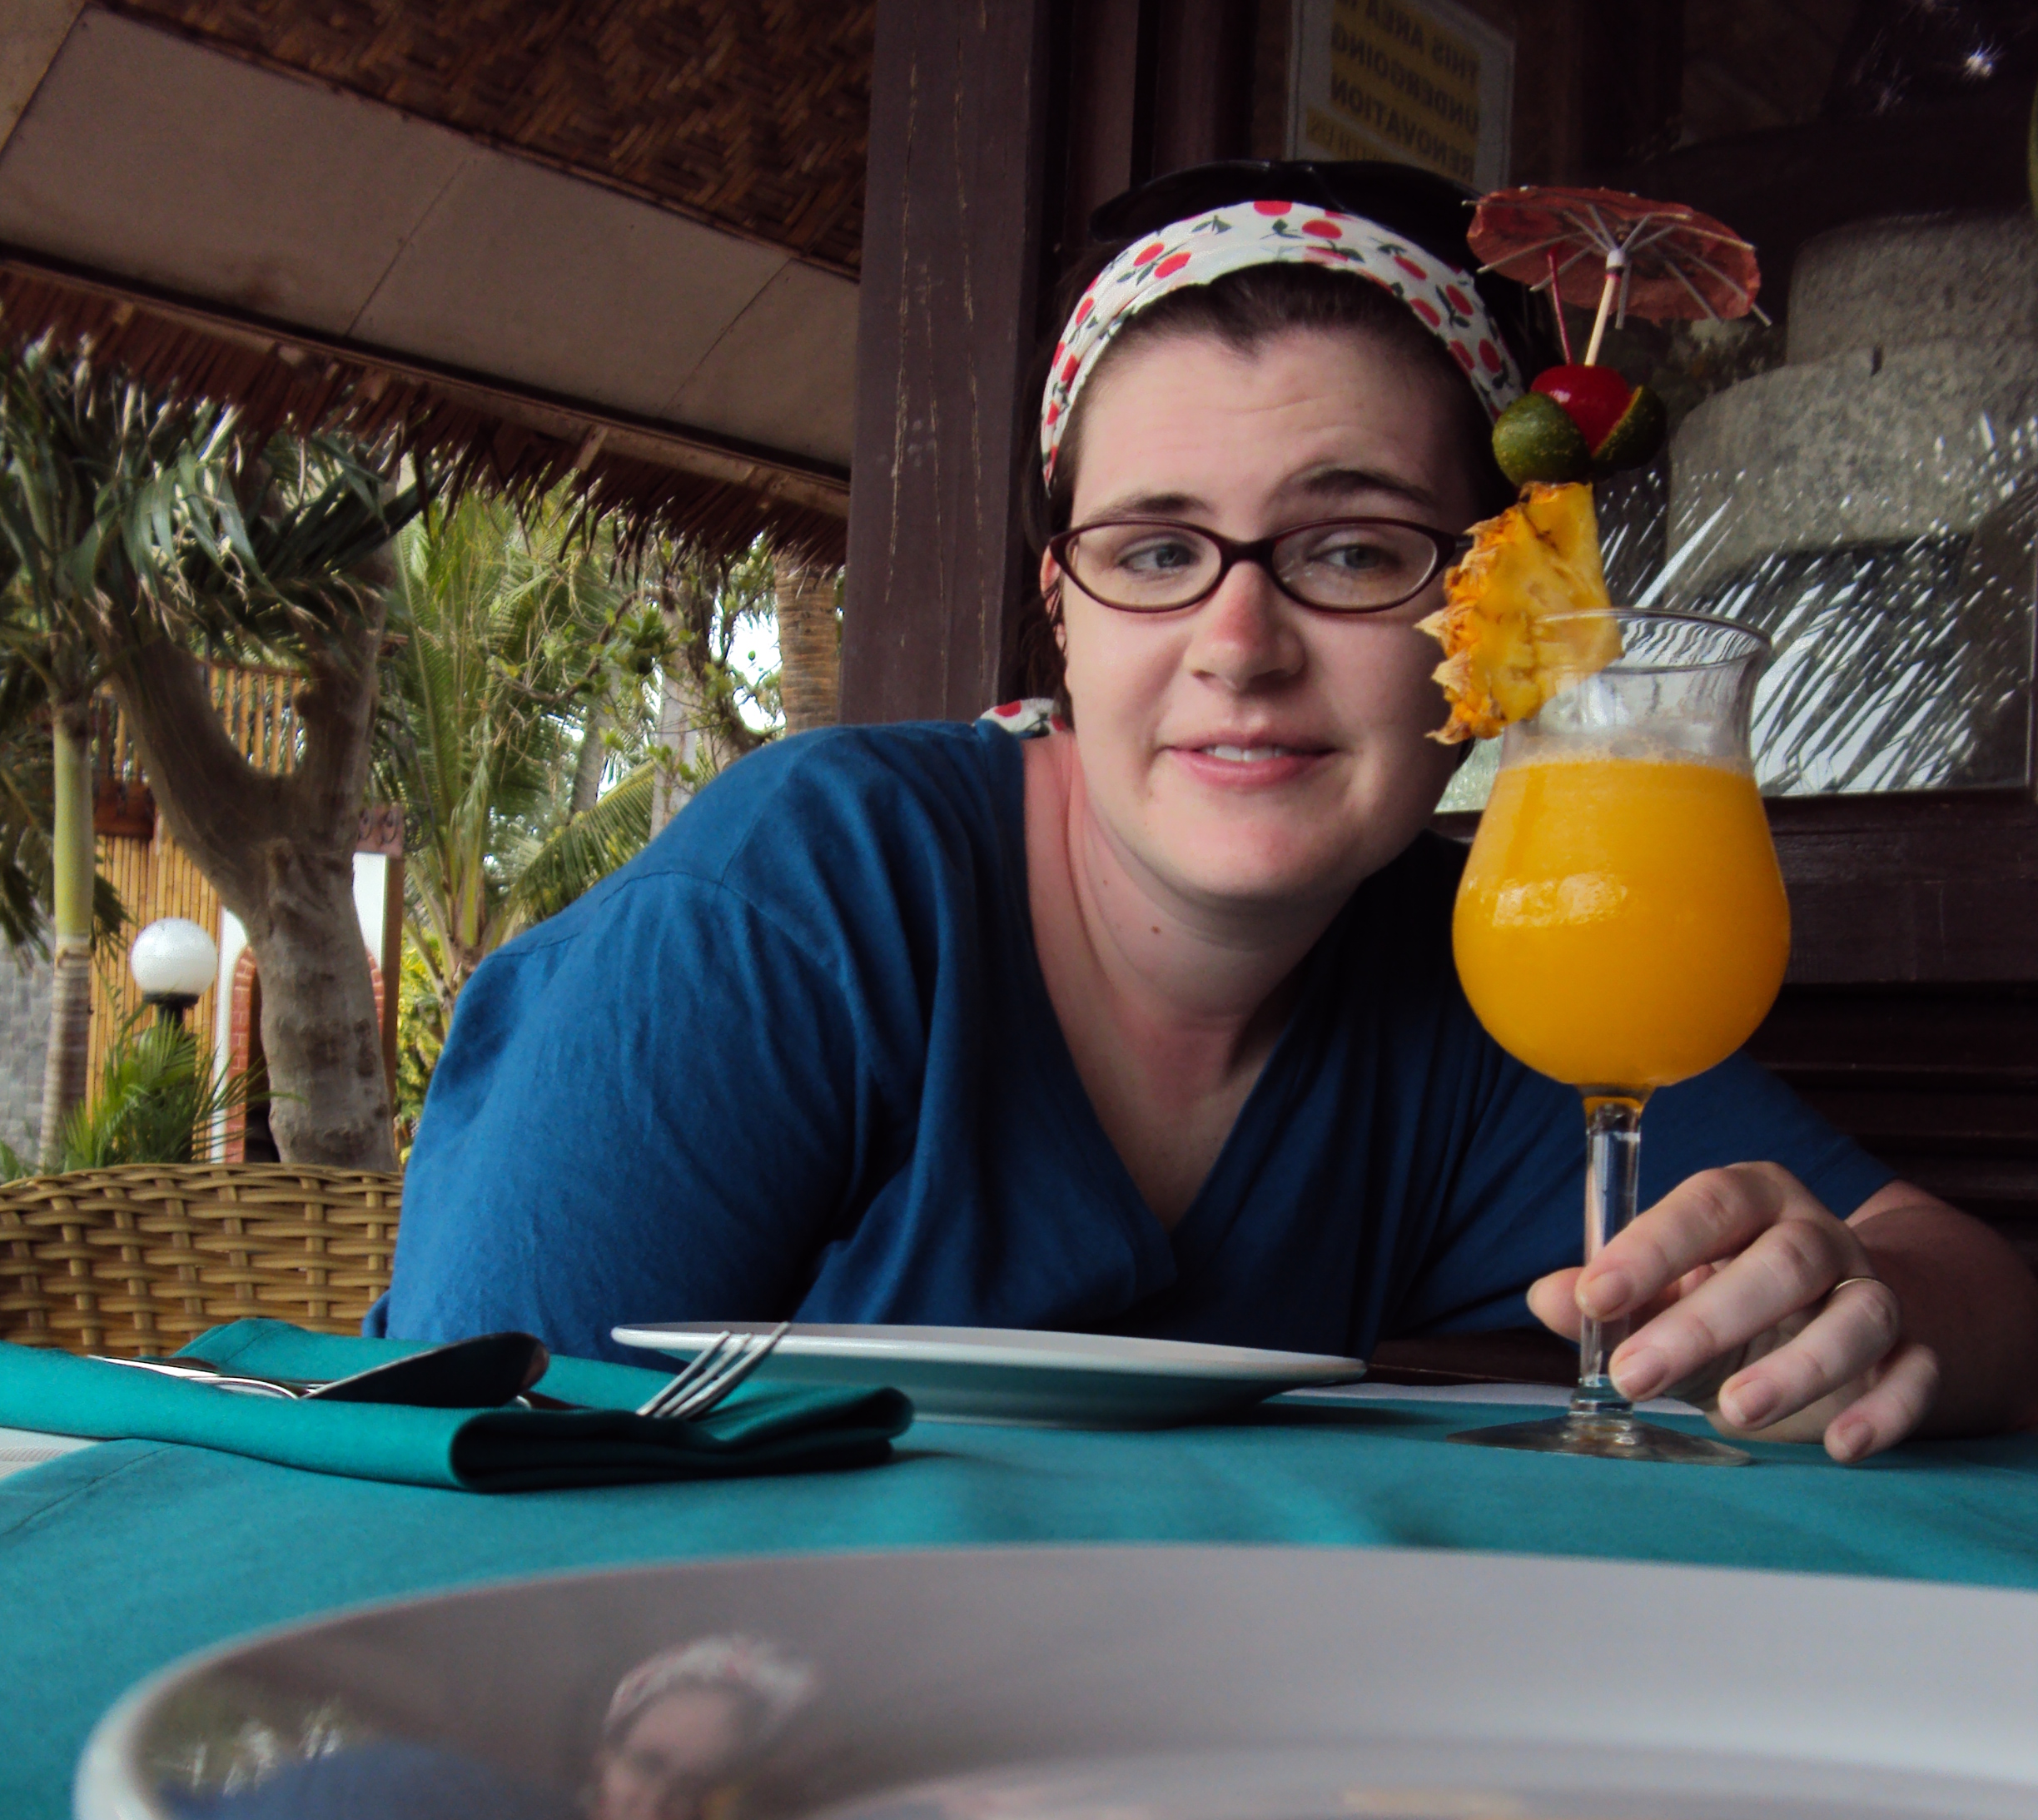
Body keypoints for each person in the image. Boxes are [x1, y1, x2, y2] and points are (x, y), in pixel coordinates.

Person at [376, 160, 2038, 1460]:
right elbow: (458, 1446)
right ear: (1063, 612)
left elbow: (1961, 1277)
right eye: (1158, 552)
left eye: (1353, 550)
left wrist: (1875, 1311)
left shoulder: (1473, 978)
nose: (1239, 646)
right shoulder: (799, 907)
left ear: (1492, 622)